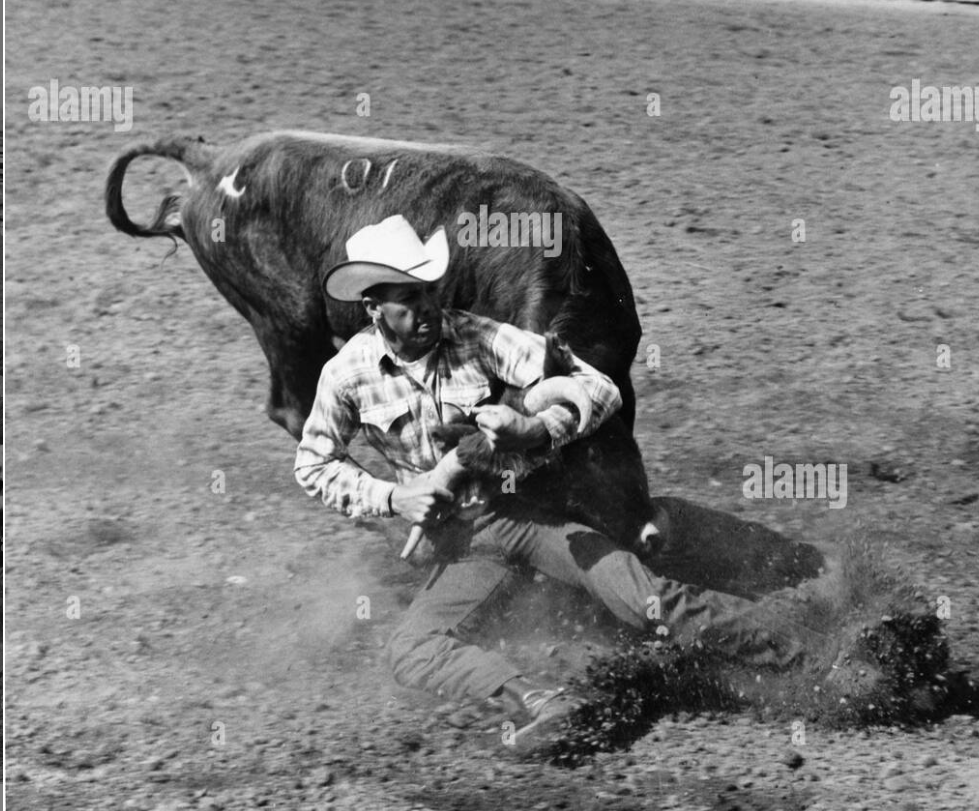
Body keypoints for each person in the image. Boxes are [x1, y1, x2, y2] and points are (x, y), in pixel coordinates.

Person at [295, 216, 813, 749]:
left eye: (429, 292)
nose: (425, 309)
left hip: (532, 513)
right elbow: (312, 466)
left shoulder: (479, 337)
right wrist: (391, 497)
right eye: (407, 299)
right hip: (462, 544)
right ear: (372, 307)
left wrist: (537, 428)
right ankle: (537, 700)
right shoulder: (347, 374)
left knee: (644, 602)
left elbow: (599, 388)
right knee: (409, 651)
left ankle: (801, 652)